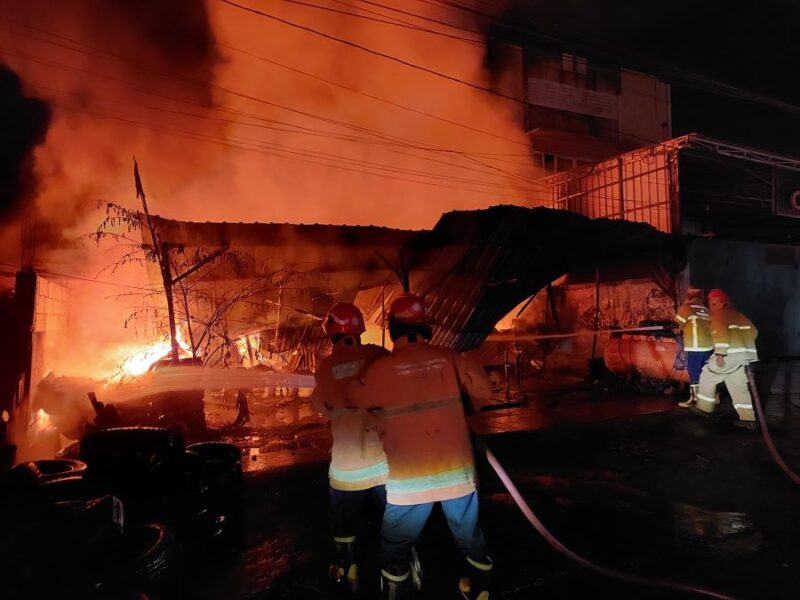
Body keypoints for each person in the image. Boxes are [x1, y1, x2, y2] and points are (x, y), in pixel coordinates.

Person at [349, 293, 494, 600]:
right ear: (427, 327)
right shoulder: (450, 357)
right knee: (469, 536)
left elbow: (353, 399)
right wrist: (464, 407)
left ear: (392, 330)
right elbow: (484, 388)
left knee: (396, 543)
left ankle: (395, 593)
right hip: (457, 475)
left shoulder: (380, 369)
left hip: (409, 481)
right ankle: (480, 592)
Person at [310, 302, 390, 594]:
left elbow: (319, 405)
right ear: (359, 329)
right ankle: (402, 567)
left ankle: (348, 568)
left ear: (331, 334)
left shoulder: (324, 369)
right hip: (384, 463)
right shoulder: (378, 356)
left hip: (347, 468)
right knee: (393, 519)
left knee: (343, 523)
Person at [691, 288, 759, 429]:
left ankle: (704, 408)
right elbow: (754, 331)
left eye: (715, 303)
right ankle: (748, 419)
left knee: (707, 375)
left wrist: (720, 354)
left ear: (723, 303)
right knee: (738, 386)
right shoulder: (739, 315)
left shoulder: (718, 316)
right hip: (744, 357)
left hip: (728, 355)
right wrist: (744, 347)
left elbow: (721, 335)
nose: (713, 306)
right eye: (712, 303)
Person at [673, 287, 714, 408]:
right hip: (708, 347)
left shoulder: (687, 308)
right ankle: (707, 398)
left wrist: (678, 330)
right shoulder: (706, 310)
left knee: (694, 371)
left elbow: (678, 324)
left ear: (689, 296)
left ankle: (695, 399)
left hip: (695, 346)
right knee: (704, 372)